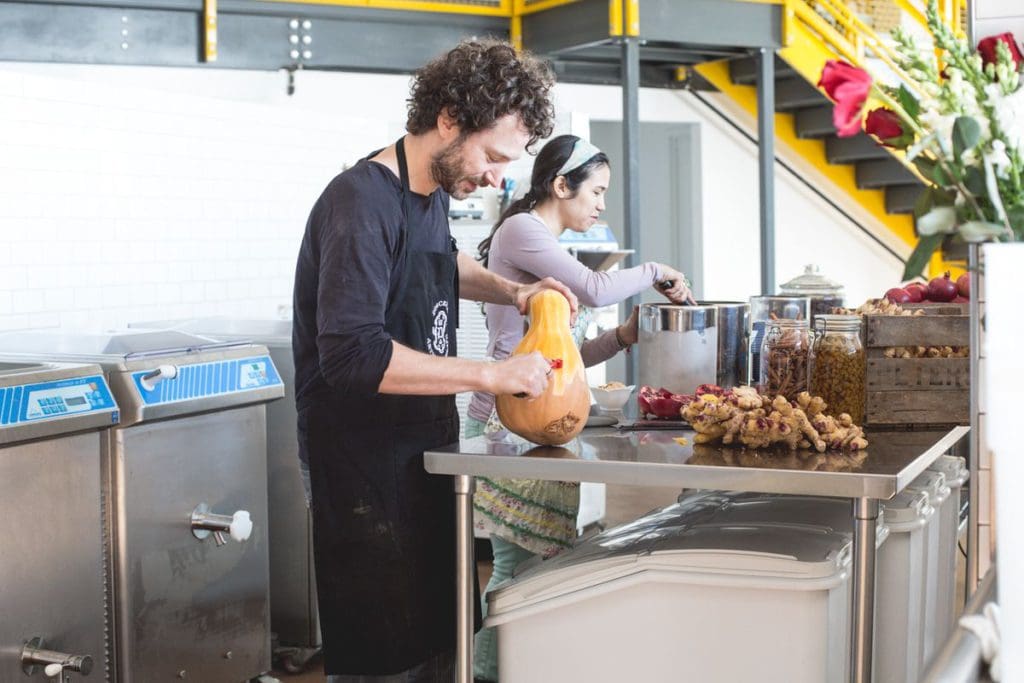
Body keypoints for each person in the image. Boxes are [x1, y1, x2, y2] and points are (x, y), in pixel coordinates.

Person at [291, 40, 579, 683]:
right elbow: (354, 355)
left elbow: (440, 262)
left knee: (436, 639)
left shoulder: (429, 193)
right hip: (360, 463)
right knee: (382, 656)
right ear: (449, 118)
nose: (500, 177)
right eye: (495, 156)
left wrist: (514, 290)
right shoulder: (359, 201)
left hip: (421, 448)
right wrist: (493, 374)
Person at [466, 133, 696, 682]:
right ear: (560, 184)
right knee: (517, 564)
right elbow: (594, 288)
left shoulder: (543, 242)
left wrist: (622, 336)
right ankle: (487, 673)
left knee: (538, 564)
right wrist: (657, 270)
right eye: (596, 191)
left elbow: (562, 360)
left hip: (537, 421)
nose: (601, 204)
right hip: (509, 419)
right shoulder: (522, 230)